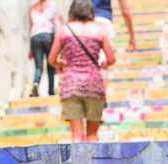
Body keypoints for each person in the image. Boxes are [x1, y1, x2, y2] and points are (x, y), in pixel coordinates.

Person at [48, 0, 114, 143]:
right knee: (92, 135)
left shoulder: (63, 30)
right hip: (94, 84)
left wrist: (60, 63)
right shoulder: (99, 30)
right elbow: (111, 58)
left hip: (72, 85)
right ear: (91, 12)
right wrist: (105, 65)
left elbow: (51, 59)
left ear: (72, 11)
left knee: (76, 136)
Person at [28, 0, 56, 97]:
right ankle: (51, 91)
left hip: (35, 36)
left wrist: (30, 48)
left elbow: (31, 27)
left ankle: (36, 83)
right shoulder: (52, 5)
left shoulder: (32, 7)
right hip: (48, 35)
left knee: (38, 66)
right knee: (51, 64)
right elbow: (57, 21)